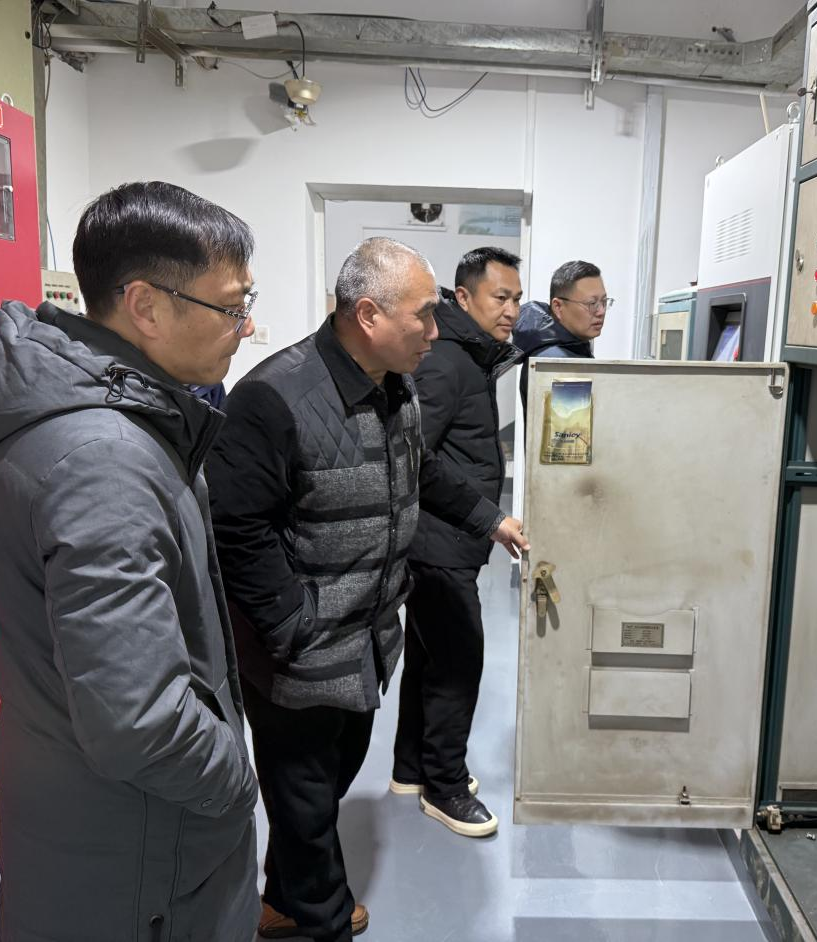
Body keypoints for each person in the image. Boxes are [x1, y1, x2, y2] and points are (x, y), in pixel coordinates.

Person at [0, 181, 261, 942]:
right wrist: (237, 782)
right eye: (230, 306)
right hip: (141, 851)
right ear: (145, 305)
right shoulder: (104, 459)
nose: (245, 326)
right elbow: (140, 721)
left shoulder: (93, 417)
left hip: (84, 815)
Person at [206, 237, 528, 941]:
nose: (435, 332)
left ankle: (281, 902)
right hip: (298, 652)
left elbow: (422, 471)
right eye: (423, 315)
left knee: (328, 782)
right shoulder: (273, 397)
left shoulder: (392, 385)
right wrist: (290, 626)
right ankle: (321, 919)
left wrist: (490, 518)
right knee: (305, 800)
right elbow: (235, 528)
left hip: (365, 640)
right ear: (368, 315)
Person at [390, 247, 524, 838]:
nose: (511, 310)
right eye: (500, 297)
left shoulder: (467, 354)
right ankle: (444, 788)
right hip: (437, 543)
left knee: (429, 657)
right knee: (458, 663)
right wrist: (486, 518)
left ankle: (411, 768)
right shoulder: (446, 361)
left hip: (446, 541)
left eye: (517, 298)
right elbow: (417, 455)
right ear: (463, 297)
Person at [512, 259, 611, 417]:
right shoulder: (557, 363)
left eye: (604, 302)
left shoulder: (568, 348)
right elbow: (569, 431)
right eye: (592, 303)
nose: (601, 311)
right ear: (558, 307)